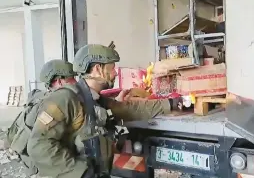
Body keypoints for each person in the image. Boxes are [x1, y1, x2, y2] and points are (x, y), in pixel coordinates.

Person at [26, 44, 182, 178]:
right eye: (112, 68)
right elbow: (38, 145)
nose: (115, 73)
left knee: (139, 167)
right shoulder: (65, 99)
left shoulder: (95, 100)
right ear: (98, 69)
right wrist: (81, 172)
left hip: (97, 172)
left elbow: (129, 109)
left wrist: (171, 103)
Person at [7, 59, 77, 176]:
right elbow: (40, 145)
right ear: (59, 81)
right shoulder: (51, 104)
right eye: (71, 79)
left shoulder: (50, 97)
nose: (75, 83)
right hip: (37, 161)